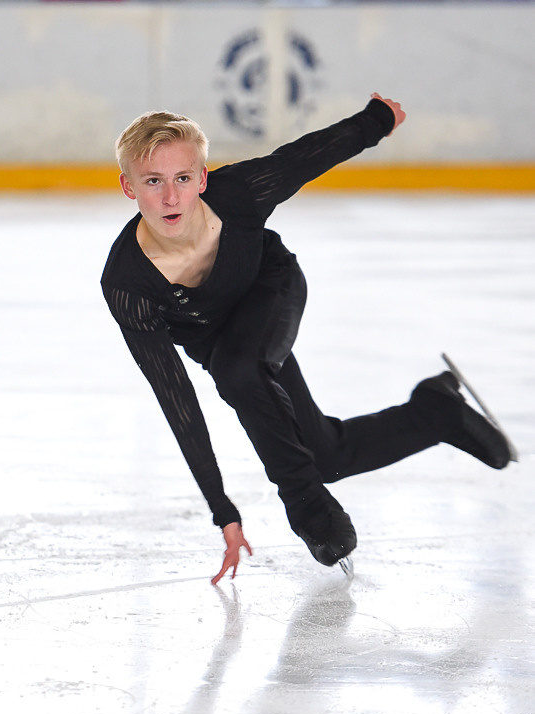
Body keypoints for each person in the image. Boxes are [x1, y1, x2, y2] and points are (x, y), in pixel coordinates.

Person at [101, 93, 512, 585]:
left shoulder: (240, 194)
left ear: (202, 178)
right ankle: (436, 412)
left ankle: (305, 506)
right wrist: (222, 509)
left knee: (242, 372)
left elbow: (303, 158)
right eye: (153, 182)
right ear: (129, 187)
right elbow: (177, 401)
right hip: (222, 344)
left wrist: (376, 120)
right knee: (326, 455)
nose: (171, 197)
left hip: (271, 289)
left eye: (183, 179)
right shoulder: (128, 284)